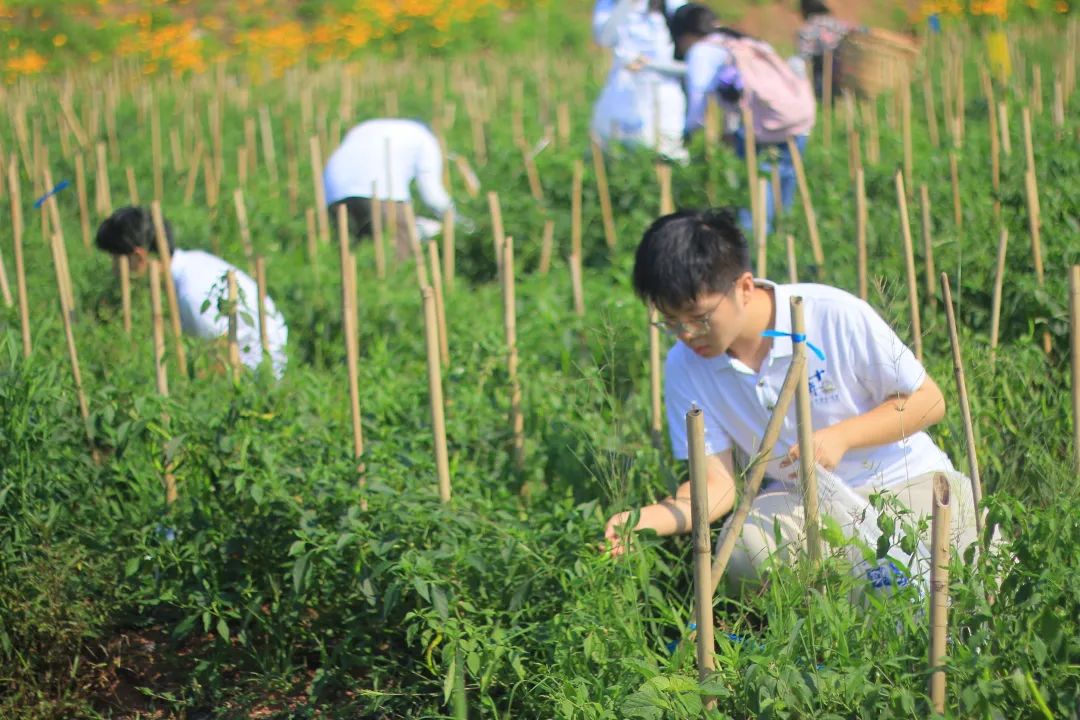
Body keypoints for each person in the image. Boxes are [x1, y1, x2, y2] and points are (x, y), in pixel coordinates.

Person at [604, 209, 978, 591]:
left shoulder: (831, 315)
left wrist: (842, 436)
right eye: (670, 322)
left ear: (744, 287)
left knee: (967, 583)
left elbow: (929, 401)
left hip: (903, 480)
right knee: (743, 551)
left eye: (698, 318)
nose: (686, 334)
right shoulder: (685, 366)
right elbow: (718, 486)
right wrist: (641, 521)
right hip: (803, 504)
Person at [670, 4, 815, 234]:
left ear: (684, 34)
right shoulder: (744, 41)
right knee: (783, 194)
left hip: (761, 129)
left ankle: (755, 247)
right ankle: (781, 243)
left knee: (755, 197)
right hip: (797, 119)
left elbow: (699, 99)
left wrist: (687, 133)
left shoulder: (702, 51)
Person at [95, 206, 288, 378]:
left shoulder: (191, 294)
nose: (114, 269)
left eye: (115, 259)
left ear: (139, 257)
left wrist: (185, 386)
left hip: (261, 373)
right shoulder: (192, 261)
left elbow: (223, 357)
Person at [323, 118, 456, 260]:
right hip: (382, 192)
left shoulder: (366, 128)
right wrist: (457, 222)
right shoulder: (425, 137)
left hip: (334, 192)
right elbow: (433, 195)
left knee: (352, 254)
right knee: (399, 254)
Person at [591, 0, 689, 163]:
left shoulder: (671, 4)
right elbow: (604, 38)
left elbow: (689, 38)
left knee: (666, 151)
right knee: (618, 151)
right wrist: (626, 4)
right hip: (623, 89)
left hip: (664, 90)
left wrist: (650, 65)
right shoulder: (609, 3)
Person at [796, 0, 856, 99]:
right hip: (841, 67)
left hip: (821, 70)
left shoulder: (807, 29)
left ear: (805, 10)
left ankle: (820, 96)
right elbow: (854, 30)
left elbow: (804, 55)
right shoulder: (835, 23)